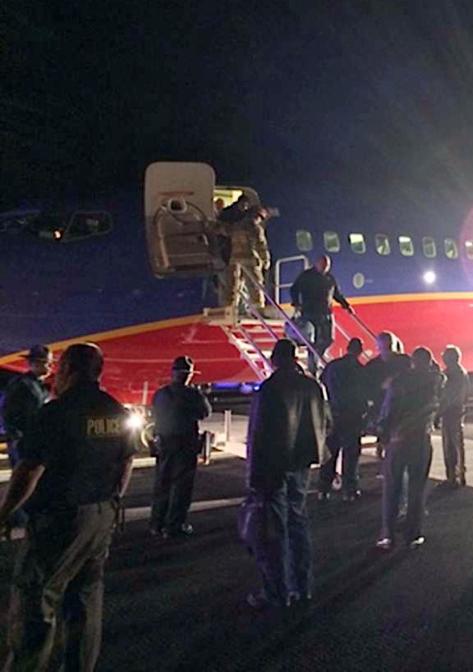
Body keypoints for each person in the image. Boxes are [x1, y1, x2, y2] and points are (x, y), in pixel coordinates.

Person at [0, 343, 137, 672]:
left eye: (59, 369)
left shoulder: (56, 413)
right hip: (100, 515)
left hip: (60, 519)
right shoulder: (117, 412)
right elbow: (128, 461)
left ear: (69, 370)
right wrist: (113, 500)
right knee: (86, 599)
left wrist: (5, 512)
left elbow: (30, 470)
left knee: (37, 599)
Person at [245, 339, 329, 609]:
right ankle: (302, 585)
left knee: (273, 532)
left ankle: (277, 592)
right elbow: (325, 422)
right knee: (298, 522)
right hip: (301, 464)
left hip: (273, 466)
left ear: (274, 359)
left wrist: (253, 476)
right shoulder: (313, 386)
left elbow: (258, 434)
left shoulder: (269, 389)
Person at [376, 346, 441, 550]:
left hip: (398, 438)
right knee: (417, 488)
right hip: (421, 438)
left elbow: (388, 410)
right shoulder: (435, 382)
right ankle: (413, 534)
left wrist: (383, 434)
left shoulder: (399, 381)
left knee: (392, 487)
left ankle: (388, 535)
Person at [149, 356, 212, 538]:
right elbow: (205, 412)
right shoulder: (192, 395)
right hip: (185, 444)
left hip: (164, 443)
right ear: (189, 375)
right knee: (181, 487)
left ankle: (156, 523)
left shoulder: (161, 394)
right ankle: (174, 525)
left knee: (162, 484)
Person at [1, 345, 53, 528]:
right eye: (46, 363)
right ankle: (16, 517)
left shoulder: (41, 386)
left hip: (34, 440)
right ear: (33, 364)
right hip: (23, 441)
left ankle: (23, 515)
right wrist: (16, 436)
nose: (49, 368)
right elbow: (9, 413)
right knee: (22, 477)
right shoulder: (22, 385)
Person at [319, 337, 367, 501]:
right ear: (359, 351)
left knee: (330, 453)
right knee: (351, 455)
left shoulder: (332, 366)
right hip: (352, 416)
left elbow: (322, 380)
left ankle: (324, 489)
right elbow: (364, 393)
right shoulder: (360, 369)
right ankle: (349, 490)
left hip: (334, 414)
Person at [290, 254, 355, 374]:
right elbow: (294, 288)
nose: (325, 267)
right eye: (323, 265)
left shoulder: (329, 278)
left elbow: (336, 294)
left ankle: (317, 358)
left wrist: (346, 305)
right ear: (316, 263)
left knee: (329, 339)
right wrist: (296, 304)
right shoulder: (307, 276)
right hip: (310, 313)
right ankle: (312, 366)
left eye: (327, 265)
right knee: (313, 342)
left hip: (326, 313)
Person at [219, 203, 271, 311]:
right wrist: (266, 261)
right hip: (249, 260)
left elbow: (225, 231)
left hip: (235, 260)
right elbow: (261, 246)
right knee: (254, 284)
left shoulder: (237, 226)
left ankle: (230, 308)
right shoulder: (255, 228)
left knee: (233, 285)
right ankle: (258, 309)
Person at [363, 331, 406, 460]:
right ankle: (383, 450)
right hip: (384, 404)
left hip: (396, 404)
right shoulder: (403, 361)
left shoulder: (374, 365)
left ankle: (386, 452)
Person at [436, 345, 469, 488]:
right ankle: (460, 473)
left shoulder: (449, 375)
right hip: (459, 409)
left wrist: (438, 413)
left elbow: (446, 397)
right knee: (458, 443)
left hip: (450, 412)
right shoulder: (463, 373)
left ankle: (452, 475)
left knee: (450, 445)